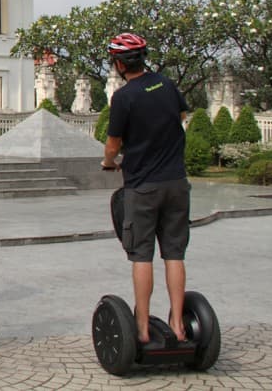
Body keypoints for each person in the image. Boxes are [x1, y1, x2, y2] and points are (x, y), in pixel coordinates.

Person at [101, 33, 190, 343]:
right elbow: (180, 116)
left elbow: (113, 145)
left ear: (119, 64)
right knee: (174, 254)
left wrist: (109, 163)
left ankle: (140, 328)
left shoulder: (124, 97)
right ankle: (178, 325)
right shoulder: (166, 84)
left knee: (142, 256)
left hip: (143, 186)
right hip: (177, 182)